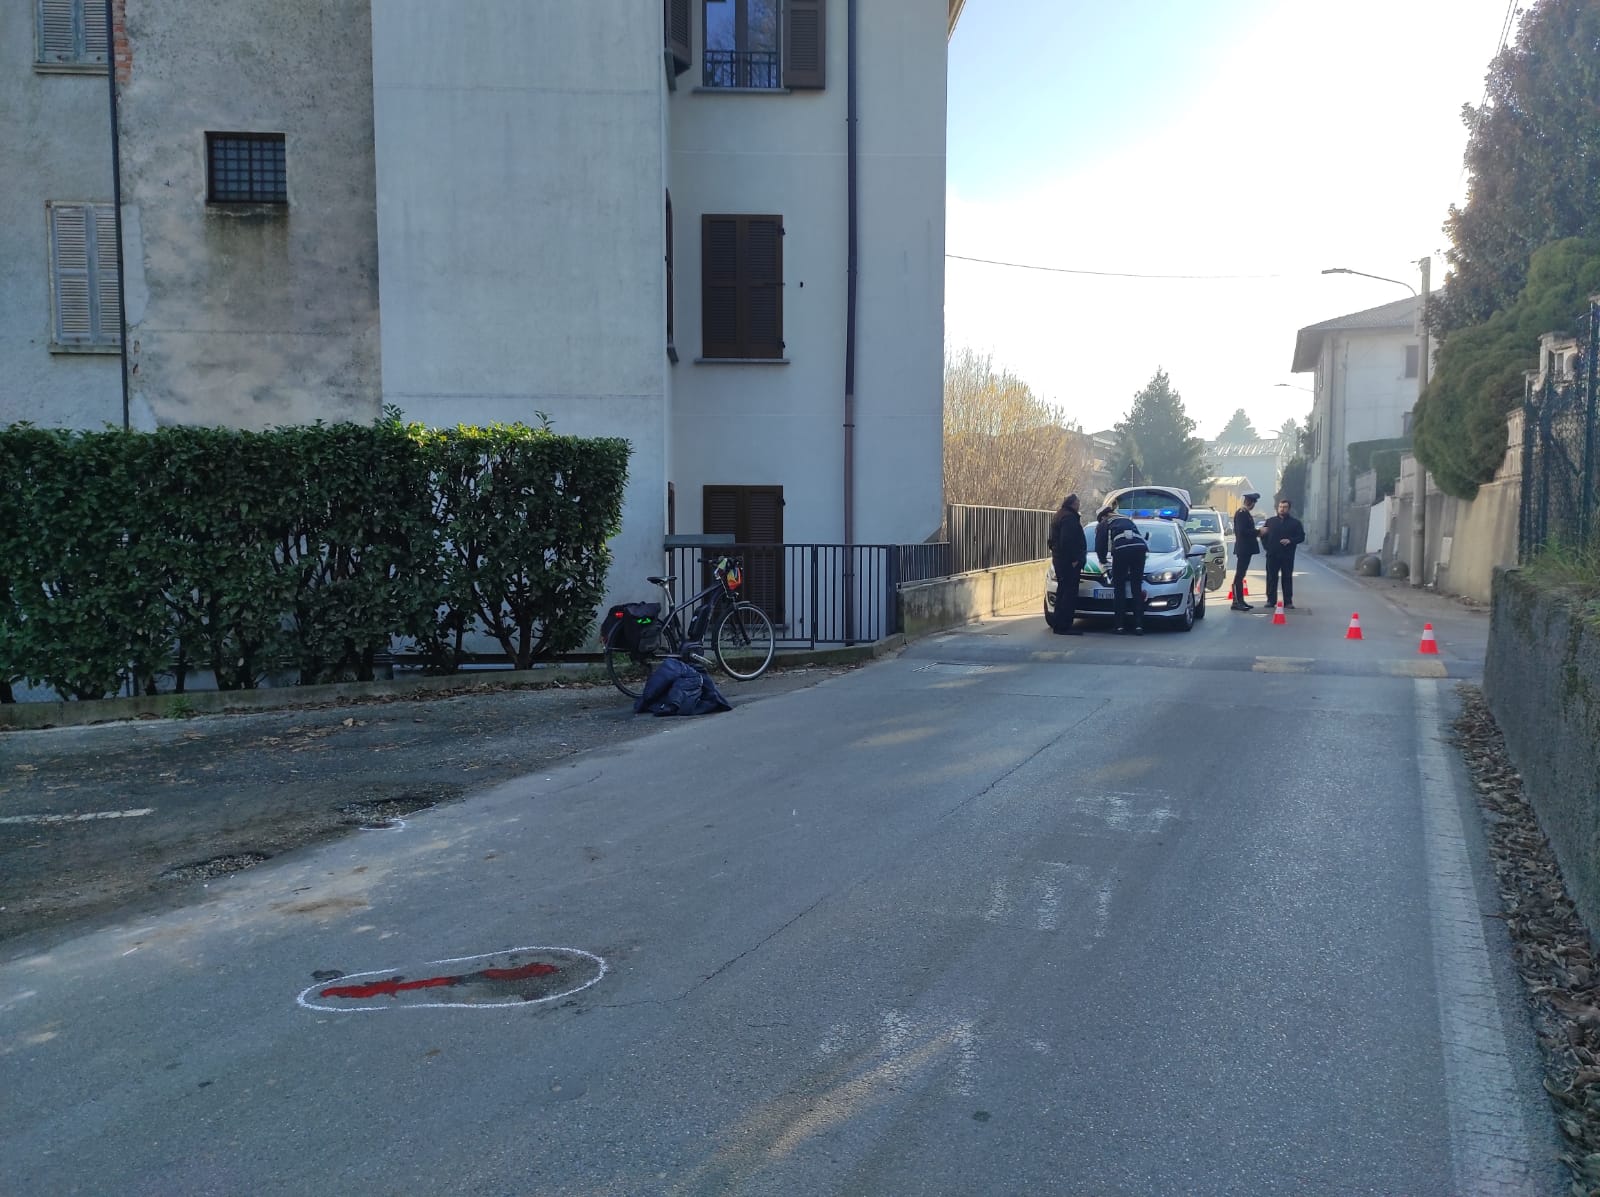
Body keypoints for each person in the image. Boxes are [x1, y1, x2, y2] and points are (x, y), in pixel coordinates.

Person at [1095, 503, 1149, 635]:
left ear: (1102, 516)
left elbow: (1100, 544)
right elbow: (1138, 538)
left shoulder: (1105, 522)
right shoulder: (1126, 519)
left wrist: (1102, 560)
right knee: (1136, 588)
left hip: (1121, 551)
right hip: (1140, 550)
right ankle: (1138, 626)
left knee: (1119, 589)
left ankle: (1119, 626)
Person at [1047, 493, 1086, 635]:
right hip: (1068, 562)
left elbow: (1053, 541)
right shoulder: (1069, 518)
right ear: (1073, 503)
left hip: (1060, 560)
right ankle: (1064, 625)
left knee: (1062, 591)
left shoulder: (1060, 515)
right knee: (1068, 594)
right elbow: (1067, 541)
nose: (1079, 504)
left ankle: (1059, 624)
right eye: (1078, 502)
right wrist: (1074, 559)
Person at [1260, 497, 1306, 609]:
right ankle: (1271, 600)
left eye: (1285, 507)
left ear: (1289, 509)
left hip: (1287, 555)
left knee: (1287, 578)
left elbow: (1301, 537)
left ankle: (1288, 601)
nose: (1282, 509)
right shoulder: (1270, 521)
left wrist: (1290, 540)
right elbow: (1263, 536)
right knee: (1271, 577)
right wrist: (1267, 548)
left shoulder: (1295, 523)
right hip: (1272, 555)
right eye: (1280, 507)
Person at [1230, 492, 1261, 611]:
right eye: (1253, 503)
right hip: (1243, 548)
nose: (1253, 505)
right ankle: (1236, 601)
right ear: (1251, 503)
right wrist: (1258, 532)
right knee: (1239, 575)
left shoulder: (1245, 513)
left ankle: (1241, 600)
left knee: (1241, 575)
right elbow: (1243, 531)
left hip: (1246, 549)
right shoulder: (1242, 513)